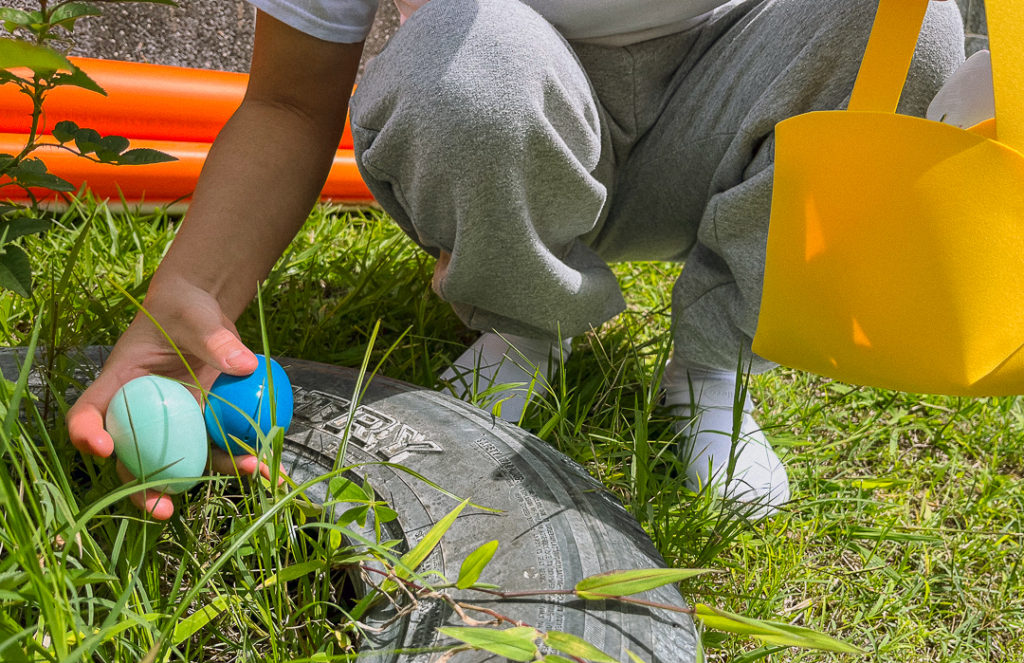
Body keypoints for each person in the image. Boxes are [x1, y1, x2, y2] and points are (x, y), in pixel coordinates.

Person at [66, 0, 966, 520]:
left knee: (910, 19)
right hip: (526, 123)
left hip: (738, 93)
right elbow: (291, 103)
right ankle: (524, 327)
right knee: (466, 65)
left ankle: (713, 365)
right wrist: (186, 295)